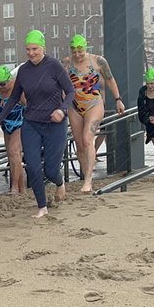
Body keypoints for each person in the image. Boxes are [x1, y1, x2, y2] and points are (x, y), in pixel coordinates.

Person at [0, 31, 75, 217]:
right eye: (27, 49)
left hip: (55, 124)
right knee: (33, 166)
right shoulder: (24, 71)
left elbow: (70, 91)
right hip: (31, 123)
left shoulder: (54, 66)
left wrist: (62, 110)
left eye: (34, 49)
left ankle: (59, 184)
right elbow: (13, 99)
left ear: (43, 47)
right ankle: (42, 206)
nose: (31, 53)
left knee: (51, 171)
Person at [66, 34, 125, 193]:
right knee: (79, 145)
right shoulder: (67, 63)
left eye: (80, 51)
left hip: (94, 103)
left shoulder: (98, 61)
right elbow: (60, 84)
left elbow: (110, 79)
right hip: (75, 105)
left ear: (86, 48)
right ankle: (86, 174)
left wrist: (118, 99)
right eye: (74, 52)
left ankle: (88, 180)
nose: (77, 55)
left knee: (87, 139)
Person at [0, 64, 26, 196]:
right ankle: (21, 187)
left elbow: (30, 106)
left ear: (10, 80)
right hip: (6, 124)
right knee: (12, 156)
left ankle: (15, 187)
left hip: (20, 123)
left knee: (14, 152)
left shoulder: (18, 89)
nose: (1, 87)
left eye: (3, 84)